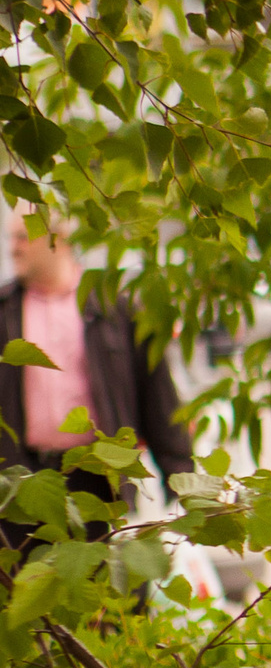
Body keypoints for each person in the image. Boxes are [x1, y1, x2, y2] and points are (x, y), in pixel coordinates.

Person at [1, 209, 194, 537]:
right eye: (11, 237)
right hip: (21, 482)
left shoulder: (115, 309)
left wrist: (187, 491)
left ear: (57, 238)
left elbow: (158, 402)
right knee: (27, 584)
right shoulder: (4, 311)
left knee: (108, 582)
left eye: (23, 236)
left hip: (99, 480)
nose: (13, 248)